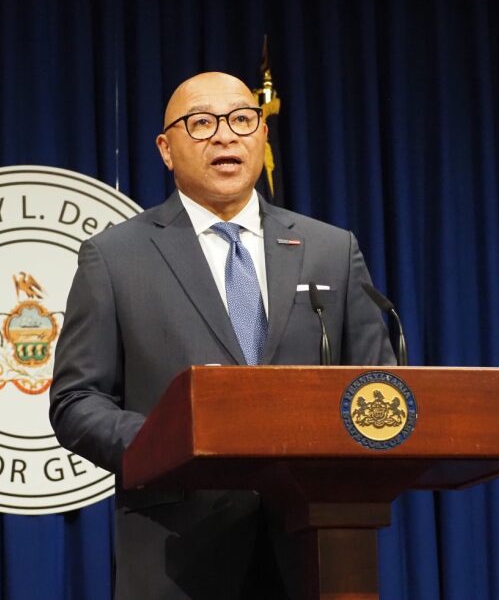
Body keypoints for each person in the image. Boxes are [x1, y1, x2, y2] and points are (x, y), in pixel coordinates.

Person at [50, 72, 395, 599]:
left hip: (317, 545)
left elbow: (380, 386)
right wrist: (168, 445)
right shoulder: (116, 258)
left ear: (262, 136)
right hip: (179, 550)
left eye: (242, 119)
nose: (225, 136)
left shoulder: (330, 249)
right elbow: (77, 400)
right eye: (201, 123)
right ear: (166, 150)